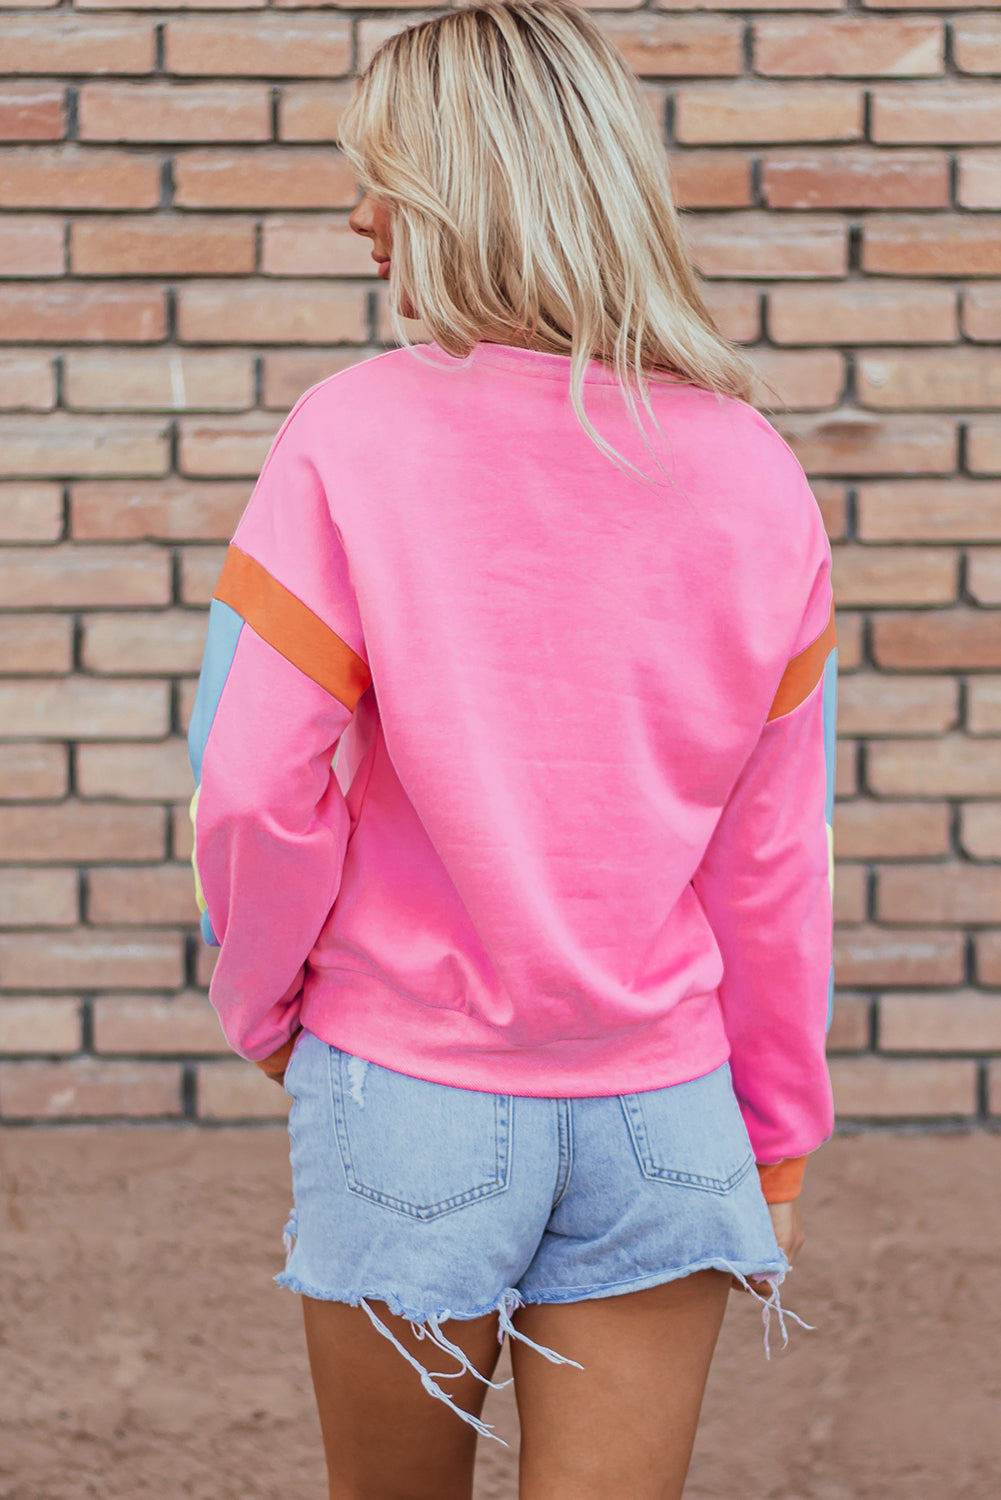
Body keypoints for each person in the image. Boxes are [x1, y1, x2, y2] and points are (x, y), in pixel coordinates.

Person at [186, 1, 837, 1495]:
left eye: (384, 178)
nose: (359, 214)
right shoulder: (753, 470)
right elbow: (773, 856)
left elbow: (253, 787)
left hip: (405, 1086)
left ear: (465, 193)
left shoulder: (348, 436)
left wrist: (269, 999)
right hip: (667, 1104)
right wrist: (779, 1141)